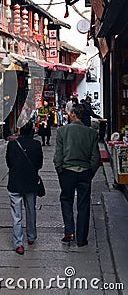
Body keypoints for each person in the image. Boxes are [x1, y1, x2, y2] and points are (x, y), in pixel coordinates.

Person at [53, 104, 100, 247]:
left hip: (67, 171)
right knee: (84, 204)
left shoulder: (62, 131)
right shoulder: (91, 133)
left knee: (66, 200)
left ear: (73, 115)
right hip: (85, 171)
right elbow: (95, 158)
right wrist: (89, 172)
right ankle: (81, 238)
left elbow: (58, 156)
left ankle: (69, 231)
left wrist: (60, 170)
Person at [6, 120, 43, 255]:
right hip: (31, 182)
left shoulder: (12, 145)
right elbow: (39, 164)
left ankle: (18, 244)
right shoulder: (36, 144)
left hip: (15, 182)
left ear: (20, 130)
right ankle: (31, 236)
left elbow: (9, 162)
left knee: (16, 215)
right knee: (31, 210)